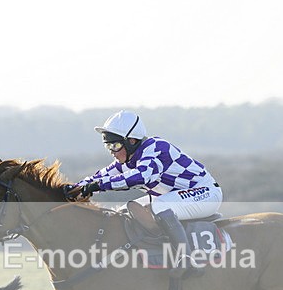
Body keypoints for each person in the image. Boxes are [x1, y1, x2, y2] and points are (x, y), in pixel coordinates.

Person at [66, 110, 222, 272]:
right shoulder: (128, 158)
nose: (112, 151)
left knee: (160, 207)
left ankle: (187, 261)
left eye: (115, 145)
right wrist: (74, 187)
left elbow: (141, 177)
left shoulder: (155, 148)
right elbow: (101, 176)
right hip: (176, 196)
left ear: (131, 141)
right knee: (124, 210)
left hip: (206, 193)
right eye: (108, 146)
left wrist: (98, 185)